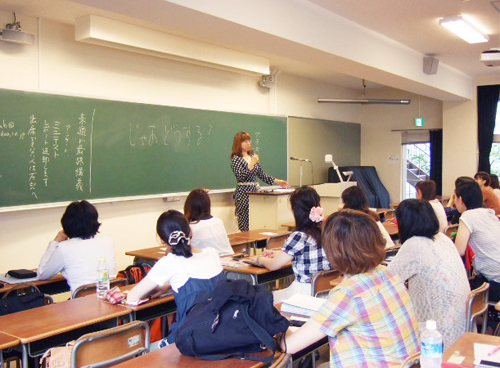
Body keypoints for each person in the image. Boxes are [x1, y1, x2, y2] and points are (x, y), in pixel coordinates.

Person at [281, 210, 419, 367]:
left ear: (333, 250)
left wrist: (276, 334)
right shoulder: (388, 274)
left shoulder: (349, 294)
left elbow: (289, 346)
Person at [127, 210, 225, 344]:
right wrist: (169, 286)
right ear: (190, 231)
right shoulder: (212, 253)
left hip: (190, 340)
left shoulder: (170, 262)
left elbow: (132, 297)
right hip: (221, 332)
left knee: (145, 350)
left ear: (162, 240)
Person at [387, 199, 470, 349]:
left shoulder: (415, 244)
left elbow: (387, 280)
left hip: (436, 333)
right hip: (461, 325)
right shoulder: (443, 238)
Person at [250, 186, 331, 303]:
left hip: (304, 294)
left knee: (265, 299)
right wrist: (279, 253)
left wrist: (259, 259)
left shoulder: (300, 236)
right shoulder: (326, 230)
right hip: (326, 293)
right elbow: (310, 251)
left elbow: (273, 265)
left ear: (296, 210)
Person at [37, 200, 117, 294]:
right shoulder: (107, 241)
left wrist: (55, 242)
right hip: (109, 302)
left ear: (66, 223)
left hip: (80, 305)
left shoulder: (64, 248)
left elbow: (42, 274)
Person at [230, 131, 289, 231]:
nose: (248, 144)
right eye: (245, 141)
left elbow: (261, 175)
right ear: (238, 143)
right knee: (245, 224)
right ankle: (247, 245)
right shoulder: (236, 159)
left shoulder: (252, 157)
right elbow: (241, 177)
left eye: (249, 141)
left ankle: (257, 244)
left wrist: (277, 181)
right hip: (243, 193)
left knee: (257, 221)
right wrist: (251, 164)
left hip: (256, 193)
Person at [455, 180, 500, 302]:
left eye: (455, 197)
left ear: (461, 199)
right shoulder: (489, 214)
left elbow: (458, 251)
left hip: (494, 283)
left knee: (455, 290)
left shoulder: (468, 216)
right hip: (496, 277)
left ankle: (473, 320)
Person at [184, 188, 234, 256]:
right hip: (229, 258)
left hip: (210, 262)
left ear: (188, 206)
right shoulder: (218, 221)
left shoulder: (191, 227)